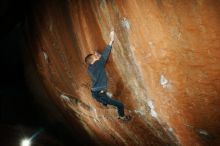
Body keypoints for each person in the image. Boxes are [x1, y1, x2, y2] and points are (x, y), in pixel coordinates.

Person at [85, 31, 130, 121]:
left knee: (103, 98)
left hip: (95, 92)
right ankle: (122, 117)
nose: (98, 57)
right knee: (120, 105)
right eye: (96, 56)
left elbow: (94, 61)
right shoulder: (99, 64)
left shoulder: (90, 68)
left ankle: (104, 102)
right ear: (94, 60)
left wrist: (95, 56)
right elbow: (105, 55)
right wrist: (111, 40)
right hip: (99, 94)